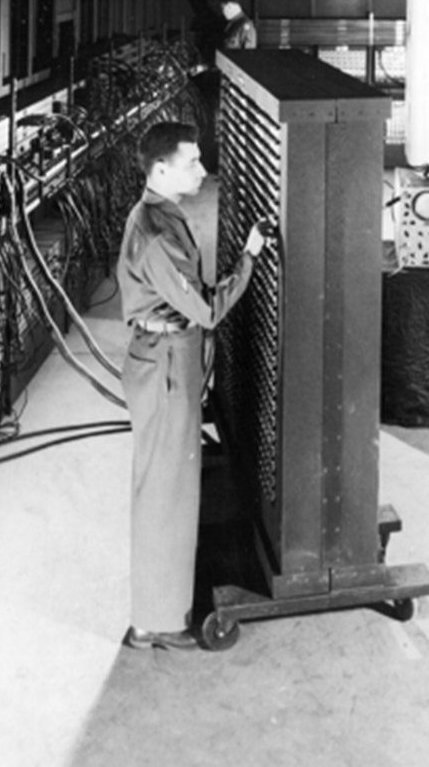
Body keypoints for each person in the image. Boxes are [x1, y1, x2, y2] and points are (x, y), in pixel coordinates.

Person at [117, 121, 268, 650]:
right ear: (161, 170)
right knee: (166, 495)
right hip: (165, 368)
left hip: (168, 359)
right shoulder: (156, 233)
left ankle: (158, 610)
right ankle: (156, 624)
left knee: (170, 490)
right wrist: (248, 259)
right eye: (192, 162)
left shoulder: (161, 214)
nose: (203, 171)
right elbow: (205, 309)